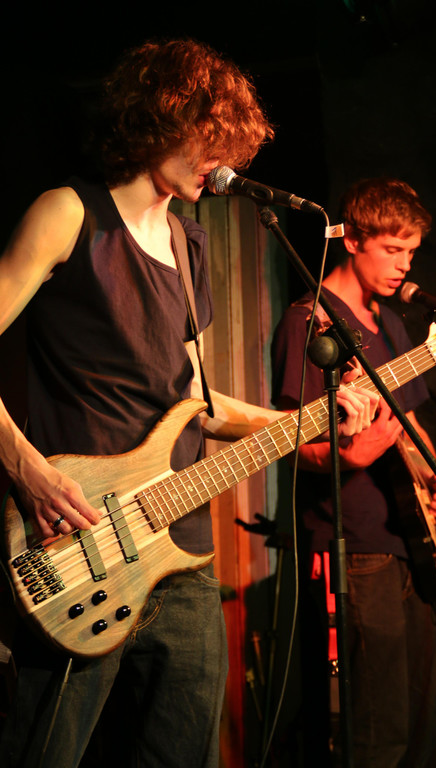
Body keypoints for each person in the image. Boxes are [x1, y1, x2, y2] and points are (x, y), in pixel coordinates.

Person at [0, 39, 378, 768]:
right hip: (81, 541)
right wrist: (27, 470)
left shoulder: (189, 241)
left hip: (181, 550)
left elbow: (198, 402)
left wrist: (308, 421)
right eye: (212, 138)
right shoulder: (68, 214)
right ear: (160, 117)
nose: (223, 161)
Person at [271, 177, 436, 767]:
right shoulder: (310, 322)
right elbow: (291, 442)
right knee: (378, 733)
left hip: (408, 536)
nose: (405, 266)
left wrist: (435, 476)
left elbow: (409, 420)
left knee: (426, 720)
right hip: (354, 545)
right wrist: (354, 453)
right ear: (352, 240)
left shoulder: (388, 324)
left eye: (412, 252)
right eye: (392, 249)